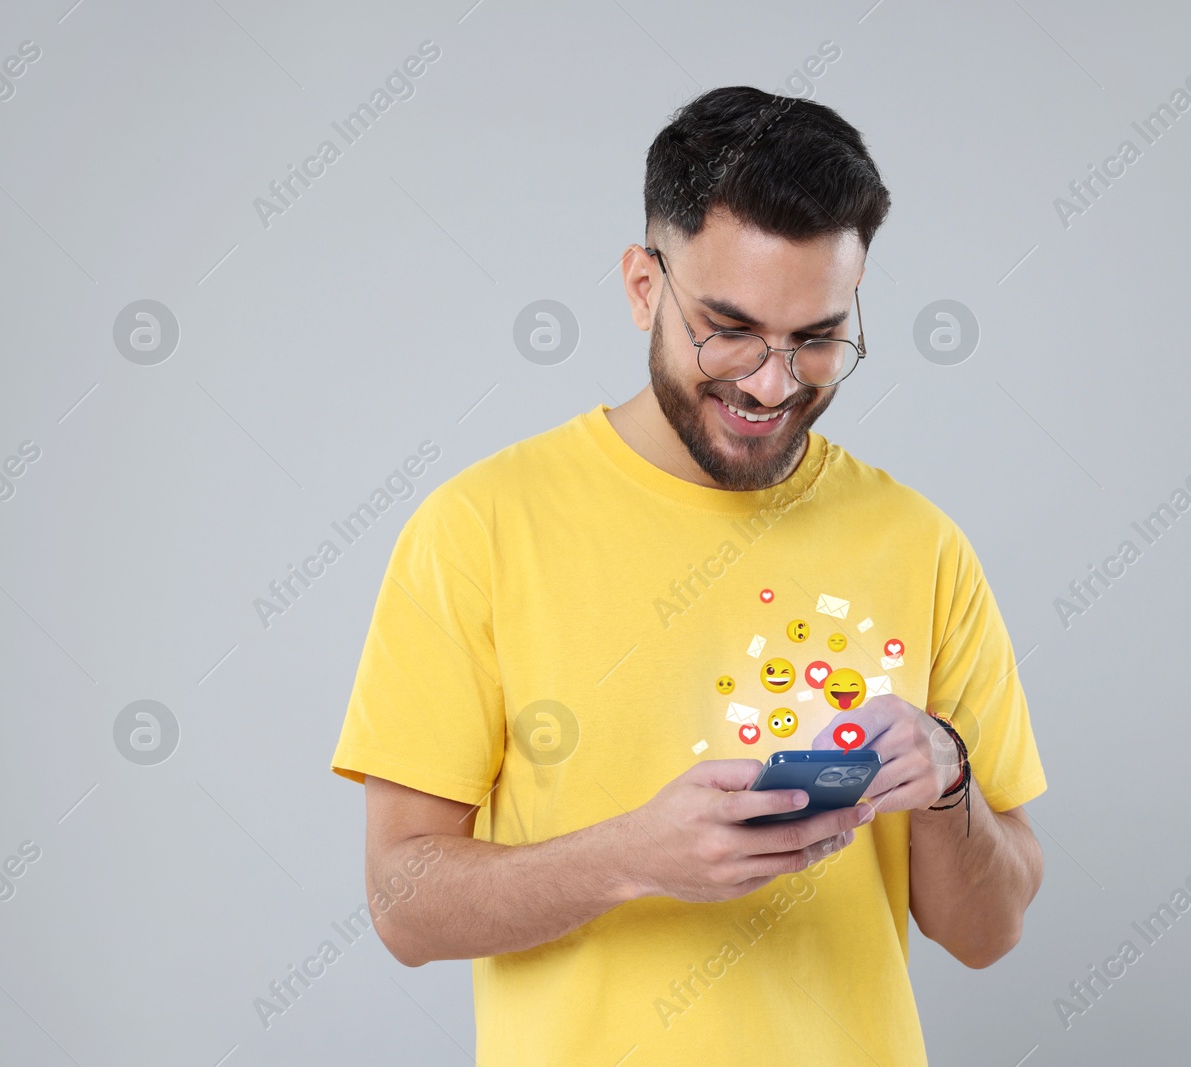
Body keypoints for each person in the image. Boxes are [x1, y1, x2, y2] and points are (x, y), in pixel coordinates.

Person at [331, 85, 1046, 1066]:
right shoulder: (478, 528)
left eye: (817, 339)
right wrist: (634, 856)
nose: (769, 382)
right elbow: (402, 906)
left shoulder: (919, 544)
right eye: (728, 328)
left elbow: (987, 929)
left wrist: (948, 779)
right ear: (641, 287)